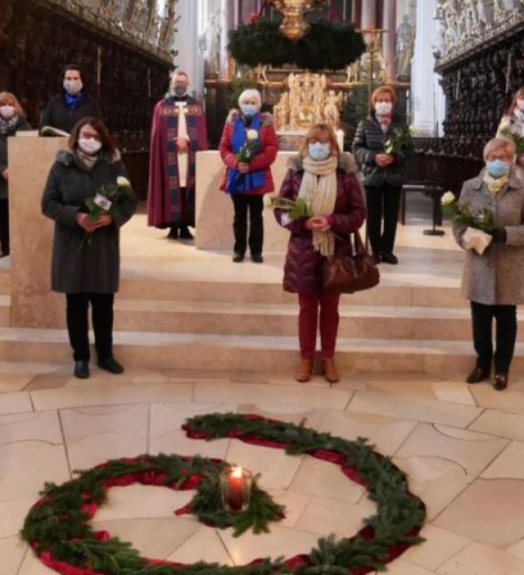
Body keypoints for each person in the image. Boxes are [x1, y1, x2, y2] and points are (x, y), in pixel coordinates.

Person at [41, 117, 136, 379]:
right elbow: (48, 204)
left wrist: (111, 217)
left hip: (103, 246)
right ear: (76, 136)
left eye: (95, 136)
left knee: (104, 305)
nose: (89, 140)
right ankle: (80, 357)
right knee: (76, 305)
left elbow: (128, 202)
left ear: (102, 139)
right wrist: (76, 217)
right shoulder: (63, 164)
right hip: (72, 245)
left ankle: (105, 355)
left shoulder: (113, 164)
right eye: (85, 134)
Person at [275, 124, 366, 384]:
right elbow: (280, 210)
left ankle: (328, 358)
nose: (319, 145)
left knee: (329, 309)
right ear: (307, 144)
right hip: (303, 250)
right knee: (306, 309)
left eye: (324, 141)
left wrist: (333, 221)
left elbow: (358, 214)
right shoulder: (295, 172)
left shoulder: (345, 175)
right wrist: (303, 223)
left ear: (332, 146)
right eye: (314, 141)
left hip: (334, 252)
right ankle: (306, 359)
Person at [453, 136, 524, 391]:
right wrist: (473, 239)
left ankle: (502, 368)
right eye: (493, 157)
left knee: (506, 318)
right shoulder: (471, 187)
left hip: (509, 263)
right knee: (479, 318)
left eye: (503, 157)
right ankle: (482, 363)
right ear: (485, 159)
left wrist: (508, 235)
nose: (498, 161)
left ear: (511, 160)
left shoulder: (523, 189)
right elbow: (459, 226)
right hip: (480, 262)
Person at [219, 89, 279, 263]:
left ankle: (256, 251)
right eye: (246, 102)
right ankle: (239, 250)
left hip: (257, 177)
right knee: (239, 217)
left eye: (253, 102)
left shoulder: (266, 124)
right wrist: (236, 163)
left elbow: (271, 150)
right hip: (236, 176)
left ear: (259, 105)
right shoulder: (231, 122)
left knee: (256, 217)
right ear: (240, 104)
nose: (249, 105)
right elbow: (223, 148)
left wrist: (251, 164)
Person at [147, 70, 208, 240]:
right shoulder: (161, 106)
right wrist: (171, 143)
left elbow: (202, 135)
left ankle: (184, 226)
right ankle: (172, 226)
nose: (179, 85)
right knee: (170, 188)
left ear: (188, 84)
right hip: (169, 156)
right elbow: (157, 135)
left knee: (186, 188)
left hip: (190, 156)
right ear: (171, 84)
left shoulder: (196, 107)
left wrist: (188, 142)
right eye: (176, 82)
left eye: (182, 82)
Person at [352, 85, 408, 265]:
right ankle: (375, 251)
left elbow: (409, 150)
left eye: (387, 100)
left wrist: (394, 157)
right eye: (380, 100)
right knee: (374, 216)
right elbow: (356, 148)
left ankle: (387, 250)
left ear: (393, 103)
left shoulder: (400, 124)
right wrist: (373, 157)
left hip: (393, 176)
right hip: (372, 176)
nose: (384, 103)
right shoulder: (365, 123)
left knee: (391, 217)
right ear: (374, 102)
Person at [0, 92, 31, 256]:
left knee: (20, 219)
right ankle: (6, 252)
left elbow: (30, 150)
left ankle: (21, 252)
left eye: (10, 104)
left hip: (21, 180)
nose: (7, 107)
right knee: (3, 218)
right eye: (3, 104)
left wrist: (17, 169)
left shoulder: (24, 125)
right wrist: (2, 169)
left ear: (16, 106)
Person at [39, 65, 101, 134]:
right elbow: (43, 127)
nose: (72, 82)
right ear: (63, 81)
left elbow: (99, 129)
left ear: (82, 81)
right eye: (68, 78)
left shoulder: (90, 104)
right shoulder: (54, 103)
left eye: (75, 78)